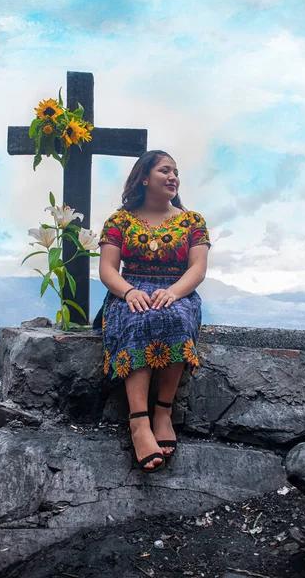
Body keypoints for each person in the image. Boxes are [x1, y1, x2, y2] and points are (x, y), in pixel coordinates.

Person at [94, 150, 211, 472]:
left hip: (178, 291)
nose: (173, 177)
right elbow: (107, 269)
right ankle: (138, 422)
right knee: (139, 316)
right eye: (165, 170)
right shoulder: (119, 220)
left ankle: (163, 412)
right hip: (128, 291)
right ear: (144, 177)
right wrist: (129, 292)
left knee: (172, 316)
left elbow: (198, 268)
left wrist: (173, 293)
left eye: (176, 171)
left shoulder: (192, 221)